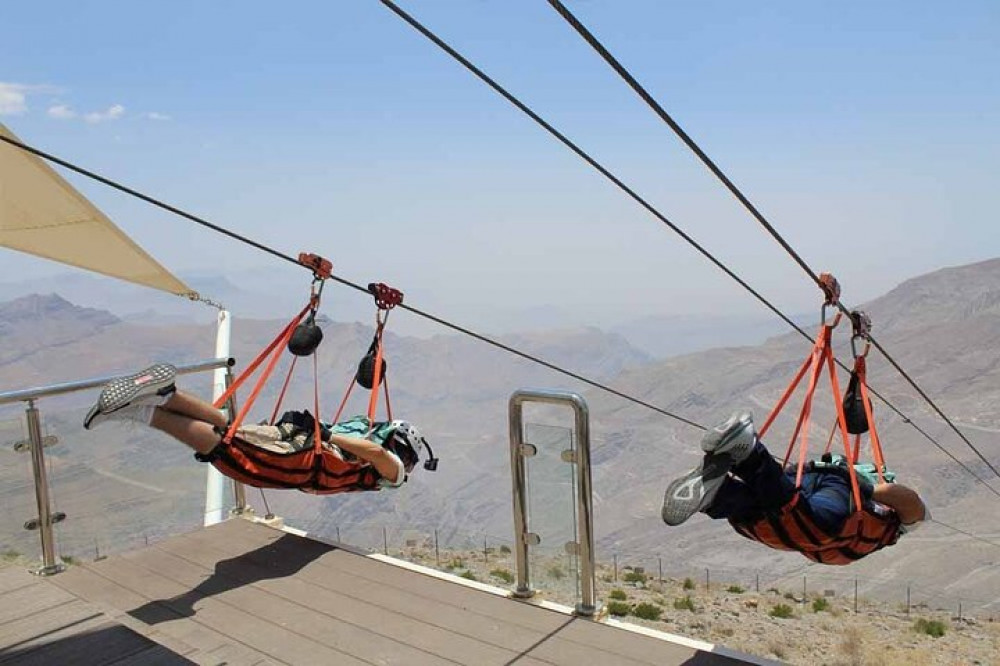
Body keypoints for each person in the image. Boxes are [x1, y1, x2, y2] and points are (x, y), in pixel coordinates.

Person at [83, 363, 434, 494]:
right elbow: (375, 454)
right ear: (403, 448)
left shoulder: (360, 443)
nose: (409, 470)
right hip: (304, 458)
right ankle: (140, 413)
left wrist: (319, 431)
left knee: (235, 430)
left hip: (304, 444)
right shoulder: (393, 471)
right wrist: (323, 435)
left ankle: (164, 396)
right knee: (230, 452)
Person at [661, 411, 928, 565]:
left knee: (763, 514)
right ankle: (749, 455)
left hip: (809, 484)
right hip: (840, 492)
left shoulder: (865, 535)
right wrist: (866, 490)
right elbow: (912, 503)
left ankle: (718, 495)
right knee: (807, 522)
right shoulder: (891, 527)